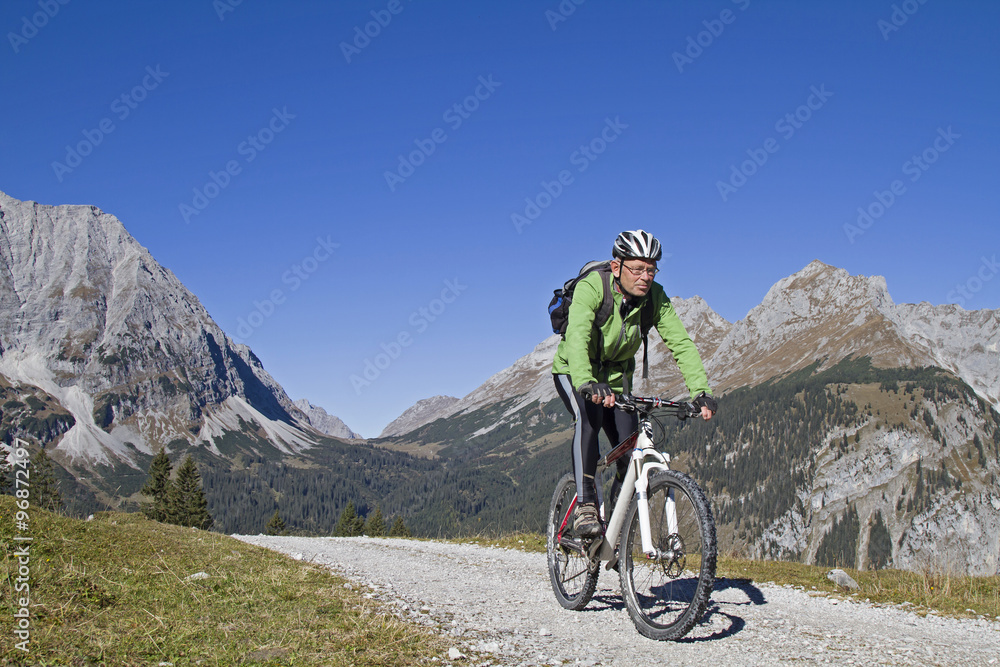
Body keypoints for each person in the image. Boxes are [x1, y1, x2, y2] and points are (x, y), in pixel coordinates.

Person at [551, 229, 717, 536]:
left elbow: (680, 343)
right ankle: (586, 506)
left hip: (616, 380)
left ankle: (617, 526)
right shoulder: (593, 288)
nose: (645, 277)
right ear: (617, 267)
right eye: (637, 269)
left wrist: (700, 390)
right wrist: (586, 381)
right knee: (587, 421)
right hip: (574, 371)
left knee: (628, 455)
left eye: (651, 270)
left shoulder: (655, 298)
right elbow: (577, 336)